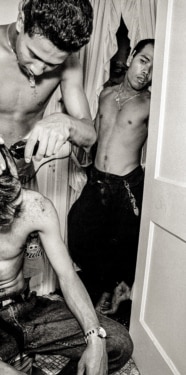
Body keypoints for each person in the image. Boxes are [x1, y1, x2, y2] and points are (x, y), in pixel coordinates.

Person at [0, 141, 133, 375]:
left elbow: (67, 275)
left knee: (117, 343)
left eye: (13, 199)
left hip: (27, 307)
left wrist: (95, 337)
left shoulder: (36, 206)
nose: (9, 214)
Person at [0, 0, 96, 179]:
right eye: (33, 55)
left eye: (52, 64)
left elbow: (90, 135)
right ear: (21, 20)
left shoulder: (70, 63)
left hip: (23, 176)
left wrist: (68, 124)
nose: (37, 71)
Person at [68, 39, 155, 315]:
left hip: (126, 184)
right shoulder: (106, 94)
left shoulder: (152, 105)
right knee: (78, 229)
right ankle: (106, 284)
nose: (146, 71)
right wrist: (79, 149)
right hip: (96, 179)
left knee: (124, 244)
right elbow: (95, 131)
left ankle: (117, 290)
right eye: (144, 60)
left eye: (154, 67)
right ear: (131, 57)